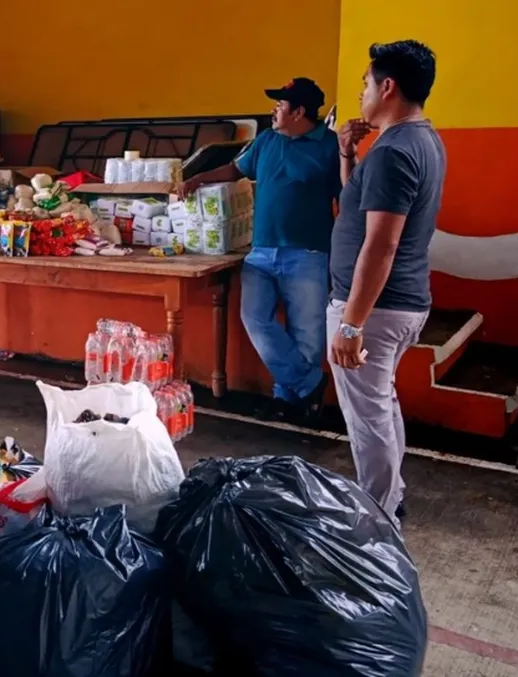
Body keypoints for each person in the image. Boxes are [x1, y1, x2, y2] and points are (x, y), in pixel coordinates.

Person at [330, 40, 445, 526]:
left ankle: (377, 520)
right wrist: (347, 154)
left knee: (368, 417)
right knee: (381, 402)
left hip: (376, 310)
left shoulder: (395, 151)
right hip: (398, 304)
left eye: (365, 84)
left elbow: (381, 245)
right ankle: (390, 495)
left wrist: (352, 325)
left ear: (388, 86)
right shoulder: (418, 140)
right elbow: (357, 205)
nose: (361, 94)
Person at [182, 78, 340, 421]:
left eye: (280, 105)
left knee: (307, 333)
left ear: (299, 112)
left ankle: (291, 399)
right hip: (261, 252)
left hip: (309, 253)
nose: (274, 111)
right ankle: (310, 382)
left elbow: (345, 198)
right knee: (254, 317)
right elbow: (235, 170)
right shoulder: (266, 140)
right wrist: (198, 179)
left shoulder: (329, 146)